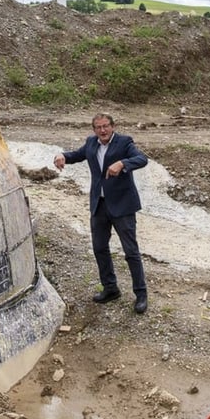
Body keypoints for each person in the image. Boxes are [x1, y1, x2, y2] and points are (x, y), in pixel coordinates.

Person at [53, 113, 149, 314]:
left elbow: (141, 159)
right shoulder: (91, 143)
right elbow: (77, 155)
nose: (103, 130)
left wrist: (123, 164)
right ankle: (110, 288)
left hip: (122, 206)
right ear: (94, 129)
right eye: (98, 127)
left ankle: (141, 295)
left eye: (106, 126)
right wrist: (62, 156)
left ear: (112, 126)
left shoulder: (124, 142)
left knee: (131, 251)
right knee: (99, 247)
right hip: (99, 205)